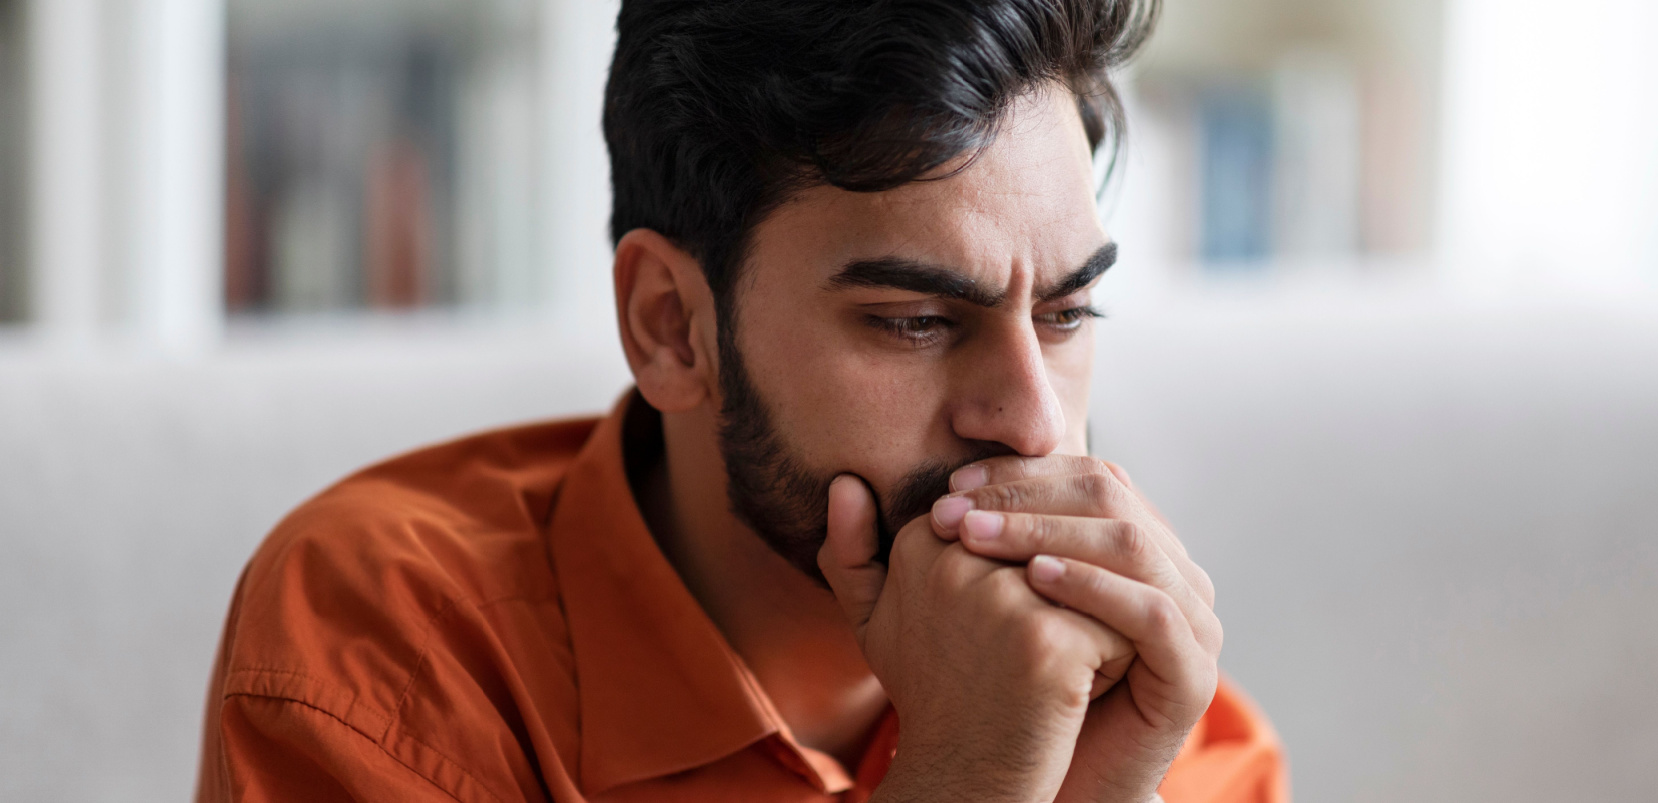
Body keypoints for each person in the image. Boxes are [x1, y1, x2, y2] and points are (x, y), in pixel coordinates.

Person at [195, 0, 1287, 800]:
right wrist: (970, 782)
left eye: (1064, 314)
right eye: (914, 320)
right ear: (671, 325)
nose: (1036, 421)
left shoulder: (1162, 727)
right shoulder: (378, 655)